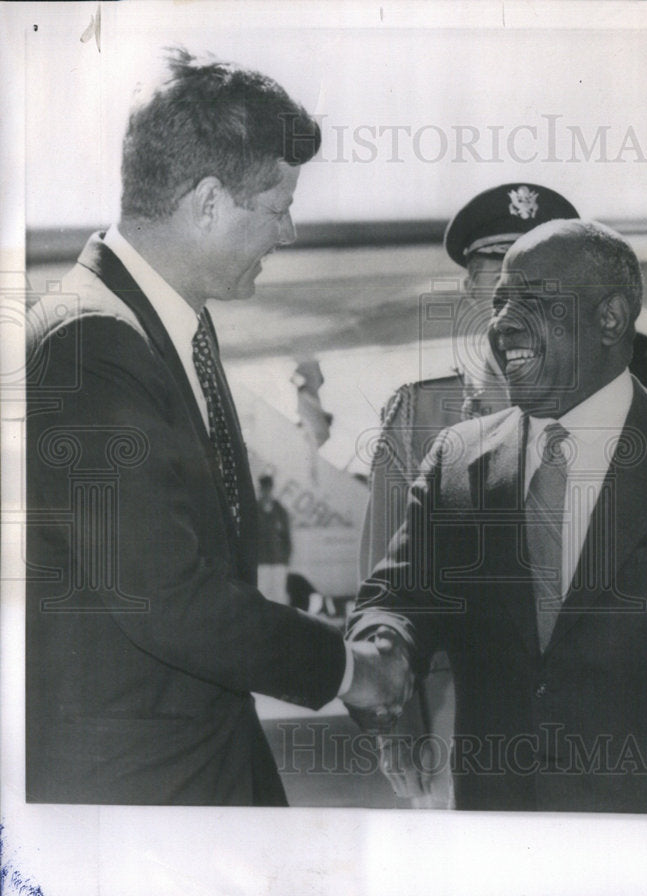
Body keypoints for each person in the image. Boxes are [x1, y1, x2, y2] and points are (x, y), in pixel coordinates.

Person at [24, 49, 411, 806]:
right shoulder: (92, 347)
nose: (289, 232)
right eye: (277, 205)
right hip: (141, 796)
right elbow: (169, 598)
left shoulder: (154, 324)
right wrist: (351, 670)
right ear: (208, 202)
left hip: (195, 763)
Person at [350, 219, 647, 813]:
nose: (503, 325)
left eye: (534, 300)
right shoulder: (457, 458)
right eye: (500, 303)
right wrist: (383, 642)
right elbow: (398, 597)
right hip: (504, 837)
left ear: (610, 319)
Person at [358, 183, 579, 807]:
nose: (517, 283)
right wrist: (395, 724)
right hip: (461, 719)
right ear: (470, 289)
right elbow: (386, 585)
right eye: (495, 266)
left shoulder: (618, 412)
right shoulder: (420, 414)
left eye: (537, 262)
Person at [257, 474, 292, 605]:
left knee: (279, 597)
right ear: (259, 490)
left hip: (278, 562)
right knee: (262, 596)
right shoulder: (253, 511)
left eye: (268, 489)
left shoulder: (280, 511)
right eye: (263, 489)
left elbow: (287, 538)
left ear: (272, 489)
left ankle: (280, 625)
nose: (266, 492)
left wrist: (286, 559)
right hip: (261, 562)